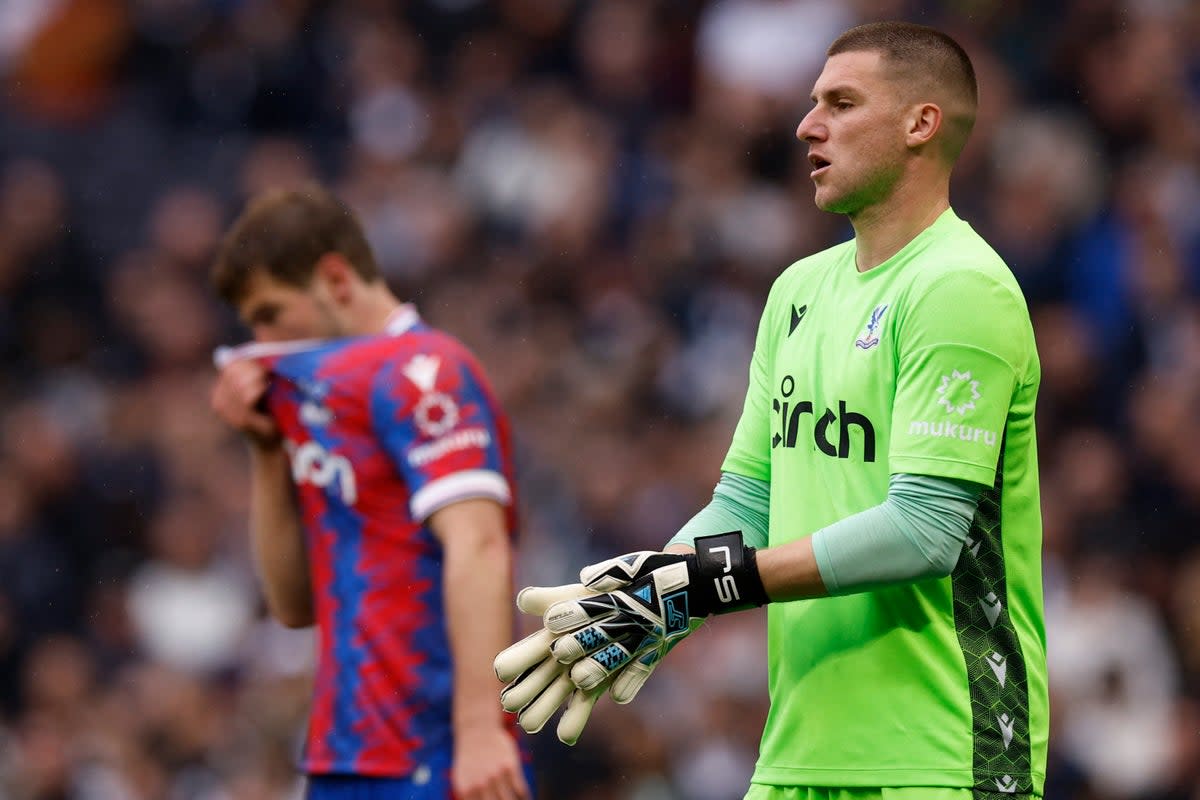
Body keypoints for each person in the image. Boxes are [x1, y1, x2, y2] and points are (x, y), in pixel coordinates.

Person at [497, 20, 1047, 800]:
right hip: (799, 753)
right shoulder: (798, 292)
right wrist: (648, 604)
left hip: (945, 752)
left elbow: (924, 530)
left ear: (920, 123)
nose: (807, 125)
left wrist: (703, 586)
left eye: (842, 103)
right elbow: (748, 502)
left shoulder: (961, 287)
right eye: (812, 102)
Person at [209, 187, 533, 800]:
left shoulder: (425, 370)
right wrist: (266, 451)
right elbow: (294, 606)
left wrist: (481, 728)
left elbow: (480, 545)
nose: (260, 343)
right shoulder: (329, 402)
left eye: (271, 314)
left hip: (439, 750)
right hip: (345, 753)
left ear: (335, 279)